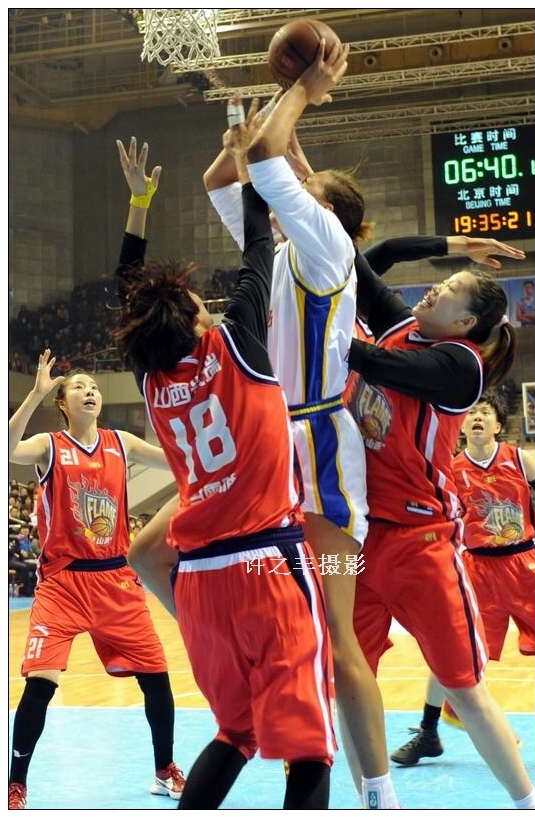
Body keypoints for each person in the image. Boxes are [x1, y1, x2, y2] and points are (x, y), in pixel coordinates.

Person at [113, 122, 335, 810]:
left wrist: (140, 206)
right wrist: (250, 166)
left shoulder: (152, 379)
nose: (209, 305)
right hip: (268, 566)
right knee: (309, 746)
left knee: (235, 733)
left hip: (202, 584)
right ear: (198, 321)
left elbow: (129, 296)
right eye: (199, 304)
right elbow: (259, 248)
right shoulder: (236, 344)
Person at [203, 47, 399, 809]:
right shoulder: (284, 249)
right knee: (166, 556)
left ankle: (377, 793)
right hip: (267, 447)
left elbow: (269, 162)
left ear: (325, 212)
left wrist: (302, 92)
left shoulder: (326, 246)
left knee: (338, 638)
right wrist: (238, 147)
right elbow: (226, 180)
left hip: (317, 448)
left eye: (303, 183)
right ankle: (265, 721)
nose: (290, 178)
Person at [346, 241, 535, 807]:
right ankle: (375, 803)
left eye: (450, 289)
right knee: (347, 681)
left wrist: (312, 332)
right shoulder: (400, 327)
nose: (434, 288)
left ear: (466, 322)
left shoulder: (460, 366)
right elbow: (365, 258)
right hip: (359, 538)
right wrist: (451, 246)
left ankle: (527, 802)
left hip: (420, 542)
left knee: (465, 689)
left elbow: (372, 363)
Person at [8, 352, 185, 810]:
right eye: (79, 386)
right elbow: (7, 450)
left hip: (115, 580)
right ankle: (15, 783)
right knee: (40, 683)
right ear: (63, 402)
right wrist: (35, 394)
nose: (90, 391)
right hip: (63, 584)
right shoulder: (49, 445)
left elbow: (178, 462)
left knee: (157, 678)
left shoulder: (121, 442)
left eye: (94, 387)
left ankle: (164, 769)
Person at [390, 389, 535, 765]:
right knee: (451, 650)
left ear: (498, 425)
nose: (477, 417)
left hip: (525, 565)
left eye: (485, 412)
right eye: (471, 412)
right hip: (476, 570)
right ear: (461, 426)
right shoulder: (449, 470)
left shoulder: (522, 460)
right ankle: (428, 732)